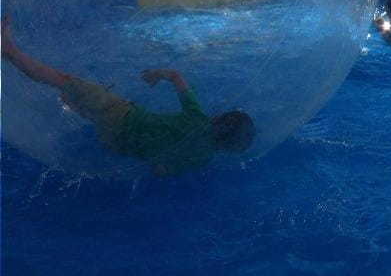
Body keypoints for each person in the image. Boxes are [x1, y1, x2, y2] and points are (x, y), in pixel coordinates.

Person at [2, 17, 254, 176]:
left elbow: (177, 76)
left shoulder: (198, 117)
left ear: (218, 118)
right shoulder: (200, 159)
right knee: (93, 106)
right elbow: (160, 170)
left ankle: (9, 50)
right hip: (116, 144)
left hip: (121, 115)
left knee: (63, 80)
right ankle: (72, 102)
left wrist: (157, 74)